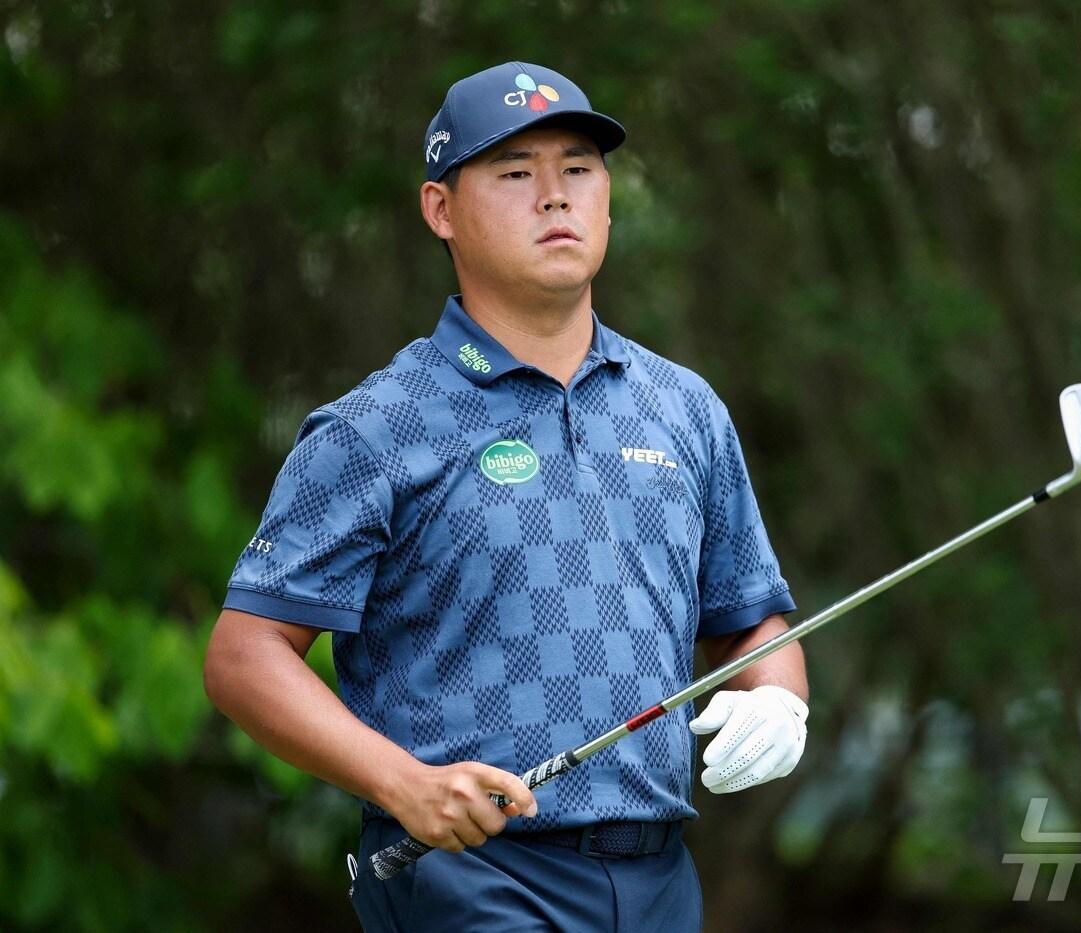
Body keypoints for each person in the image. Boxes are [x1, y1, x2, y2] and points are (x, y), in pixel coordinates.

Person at [202, 61, 809, 932]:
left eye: (579, 169)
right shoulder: (376, 426)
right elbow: (245, 653)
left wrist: (781, 696)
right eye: (516, 172)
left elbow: (751, 621)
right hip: (469, 877)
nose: (555, 195)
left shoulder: (684, 408)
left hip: (660, 881)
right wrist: (403, 783)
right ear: (440, 209)